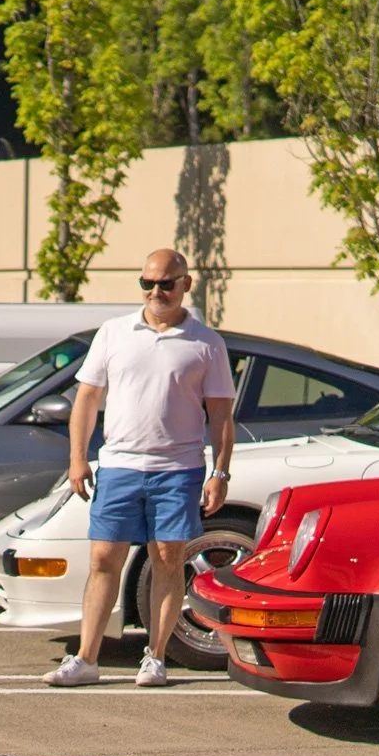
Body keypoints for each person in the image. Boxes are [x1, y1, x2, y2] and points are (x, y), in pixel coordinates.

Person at [44, 247, 236, 689]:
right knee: (102, 558)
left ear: (185, 284)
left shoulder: (207, 343)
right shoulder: (114, 333)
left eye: (166, 283)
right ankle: (87, 658)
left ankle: (155, 656)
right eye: (147, 283)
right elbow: (87, 401)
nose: (156, 291)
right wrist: (77, 459)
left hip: (178, 468)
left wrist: (220, 472)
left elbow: (222, 416)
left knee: (167, 559)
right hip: (118, 466)